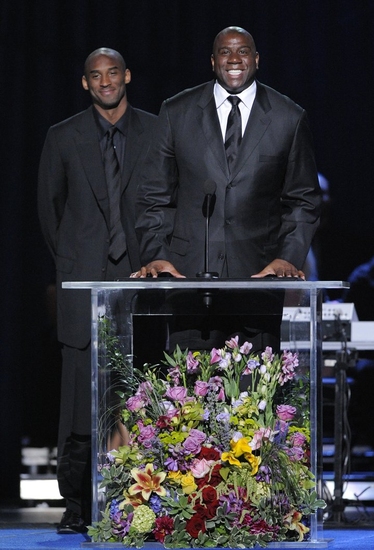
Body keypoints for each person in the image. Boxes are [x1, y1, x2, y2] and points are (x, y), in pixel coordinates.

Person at [133, 26, 322, 351]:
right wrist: (157, 256)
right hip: (187, 279)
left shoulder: (288, 117)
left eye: (243, 51)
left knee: (252, 396)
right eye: (225, 51)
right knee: (190, 395)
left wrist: (286, 259)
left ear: (257, 59)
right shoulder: (176, 112)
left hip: (258, 279)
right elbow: (153, 196)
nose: (234, 59)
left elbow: (303, 201)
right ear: (212, 61)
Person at [37, 48, 156, 533]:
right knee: (79, 404)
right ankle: (76, 505)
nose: (105, 82)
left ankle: (145, 500)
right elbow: (50, 214)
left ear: (127, 75)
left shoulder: (155, 131)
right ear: (85, 84)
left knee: (139, 397)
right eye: (95, 76)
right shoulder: (63, 136)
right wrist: (78, 260)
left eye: (113, 73)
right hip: (82, 285)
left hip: (141, 286)